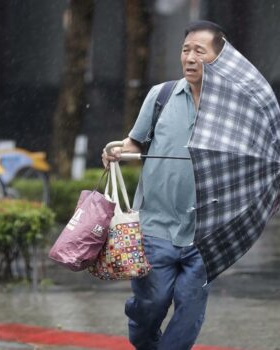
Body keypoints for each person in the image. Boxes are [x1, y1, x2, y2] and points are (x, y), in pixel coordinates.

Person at [102, 20, 228, 350]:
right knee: (151, 305)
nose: (190, 57)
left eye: (200, 51)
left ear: (218, 57)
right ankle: (140, 316)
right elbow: (134, 143)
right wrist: (115, 149)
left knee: (189, 311)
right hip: (155, 226)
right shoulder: (161, 96)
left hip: (204, 232)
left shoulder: (229, 111)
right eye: (186, 50)